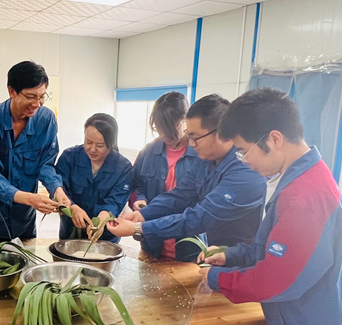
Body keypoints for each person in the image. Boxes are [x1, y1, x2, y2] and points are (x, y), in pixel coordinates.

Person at [199, 88, 342, 325]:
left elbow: (277, 282)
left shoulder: (306, 196)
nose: (244, 161)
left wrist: (216, 279)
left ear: (274, 139)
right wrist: (231, 256)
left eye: (244, 151)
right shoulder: (298, 179)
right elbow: (272, 249)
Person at [107, 94, 266, 261]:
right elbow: (180, 195)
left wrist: (139, 228)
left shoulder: (246, 170)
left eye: (195, 138)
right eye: (189, 136)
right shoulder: (205, 159)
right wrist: (143, 215)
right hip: (216, 253)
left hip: (240, 258)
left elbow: (199, 218)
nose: (191, 144)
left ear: (221, 133)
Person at [0, 61, 69, 242]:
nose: (37, 104)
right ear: (12, 91)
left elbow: (46, 164)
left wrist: (57, 189)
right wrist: (29, 198)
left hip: (24, 218)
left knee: (25, 258)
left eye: (42, 96)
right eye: (31, 97)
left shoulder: (46, 120)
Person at [129, 91, 200, 257]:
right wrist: (139, 199)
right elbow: (135, 184)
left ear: (185, 120)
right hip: (152, 243)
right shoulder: (148, 151)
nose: (163, 136)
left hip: (189, 244)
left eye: (169, 129)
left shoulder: (200, 154)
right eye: (159, 129)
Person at [55, 113, 132, 242]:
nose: (92, 149)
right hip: (70, 233)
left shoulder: (123, 167)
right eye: (88, 142)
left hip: (106, 237)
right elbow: (59, 190)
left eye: (100, 145)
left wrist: (104, 215)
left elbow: (116, 200)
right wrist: (72, 207)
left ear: (111, 143)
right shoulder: (69, 157)